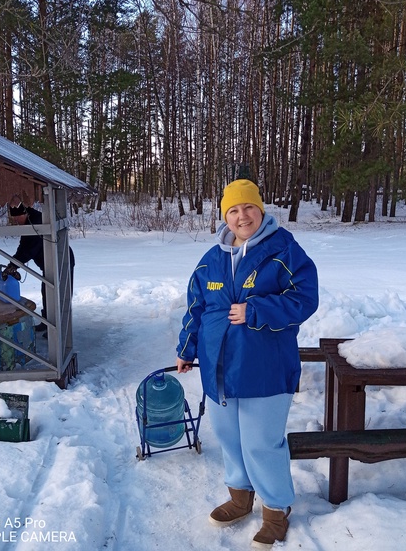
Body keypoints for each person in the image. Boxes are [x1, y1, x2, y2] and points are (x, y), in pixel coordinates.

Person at [176, 179, 319, 548]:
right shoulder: (212, 259)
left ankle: (275, 509)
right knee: (229, 437)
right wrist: (187, 349)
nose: (242, 216)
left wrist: (256, 310)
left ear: (261, 210)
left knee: (261, 442)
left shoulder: (283, 250)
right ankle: (240, 496)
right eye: (234, 210)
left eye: (249, 208)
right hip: (219, 367)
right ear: (225, 216)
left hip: (265, 369)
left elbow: (305, 297)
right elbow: (197, 308)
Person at [4, 201, 74, 332]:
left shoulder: (36, 223)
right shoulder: (30, 221)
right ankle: (48, 323)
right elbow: (24, 246)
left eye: (17, 217)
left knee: (58, 296)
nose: (15, 220)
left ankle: (58, 330)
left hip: (61, 260)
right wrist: (13, 264)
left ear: (24, 213)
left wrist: (14, 264)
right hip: (49, 264)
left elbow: (30, 249)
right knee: (47, 293)